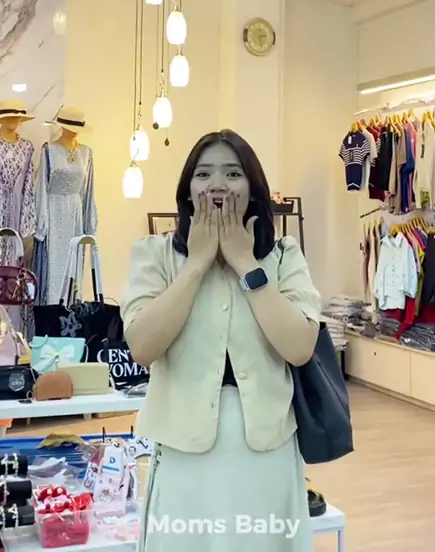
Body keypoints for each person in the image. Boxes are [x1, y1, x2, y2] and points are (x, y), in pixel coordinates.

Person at [121, 129, 321, 551]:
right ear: (187, 191)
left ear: (253, 189)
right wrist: (196, 264)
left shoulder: (283, 255)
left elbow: (300, 346)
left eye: (232, 173)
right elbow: (143, 346)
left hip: (267, 453)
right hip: (184, 455)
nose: (217, 184)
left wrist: (245, 262)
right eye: (203, 174)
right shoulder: (154, 253)